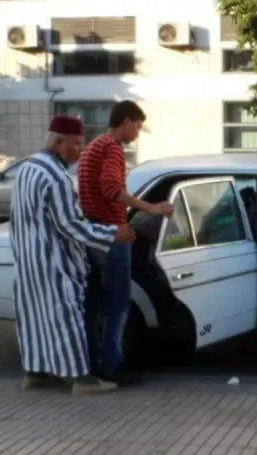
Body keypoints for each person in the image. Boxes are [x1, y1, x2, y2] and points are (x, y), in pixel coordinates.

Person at [10, 115, 136, 396]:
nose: (79, 151)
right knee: (68, 319)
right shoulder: (56, 179)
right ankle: (82, 380)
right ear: (58, 142)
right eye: (76, 145)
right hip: (56, 264)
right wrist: (112, 233)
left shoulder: (27, 169)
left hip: (29, 262)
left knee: (35, 320)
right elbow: (70, 225)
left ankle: (36, 374)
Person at [78, 100, 173, 385]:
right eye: (138, 127)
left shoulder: (92, 147)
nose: (138, 134)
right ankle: (112, 366)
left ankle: (92, 363)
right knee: (118, 302)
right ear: (127, 121)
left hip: (91, 233)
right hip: (110, 234)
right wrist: (151, 208)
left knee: (93, 302)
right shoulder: (111, 148)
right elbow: (111, 189)